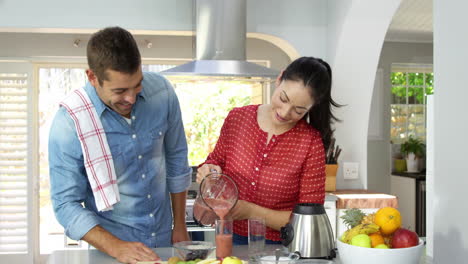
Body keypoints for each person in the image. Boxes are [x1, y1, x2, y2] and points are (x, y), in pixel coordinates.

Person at [49, 27, 192, 263]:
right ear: (93, 77)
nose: (131, 98)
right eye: (120, 90)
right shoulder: (69, 124)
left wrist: (180, 225)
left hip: (166, 241)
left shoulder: (162, 92)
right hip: (112, 251)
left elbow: (177, 157)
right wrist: (117, 248)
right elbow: (65, 204)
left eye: (137, 84)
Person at [196, 56, 340, 244]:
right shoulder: (237, 119)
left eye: (298, 111)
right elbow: (215, 160)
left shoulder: (310, 143)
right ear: (279, 79)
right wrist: (209, 171)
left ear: (311, 107)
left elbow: (308, 216)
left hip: (279, 248)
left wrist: (251, 211)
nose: (285, 112)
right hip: (229, 238)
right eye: (283, 98)